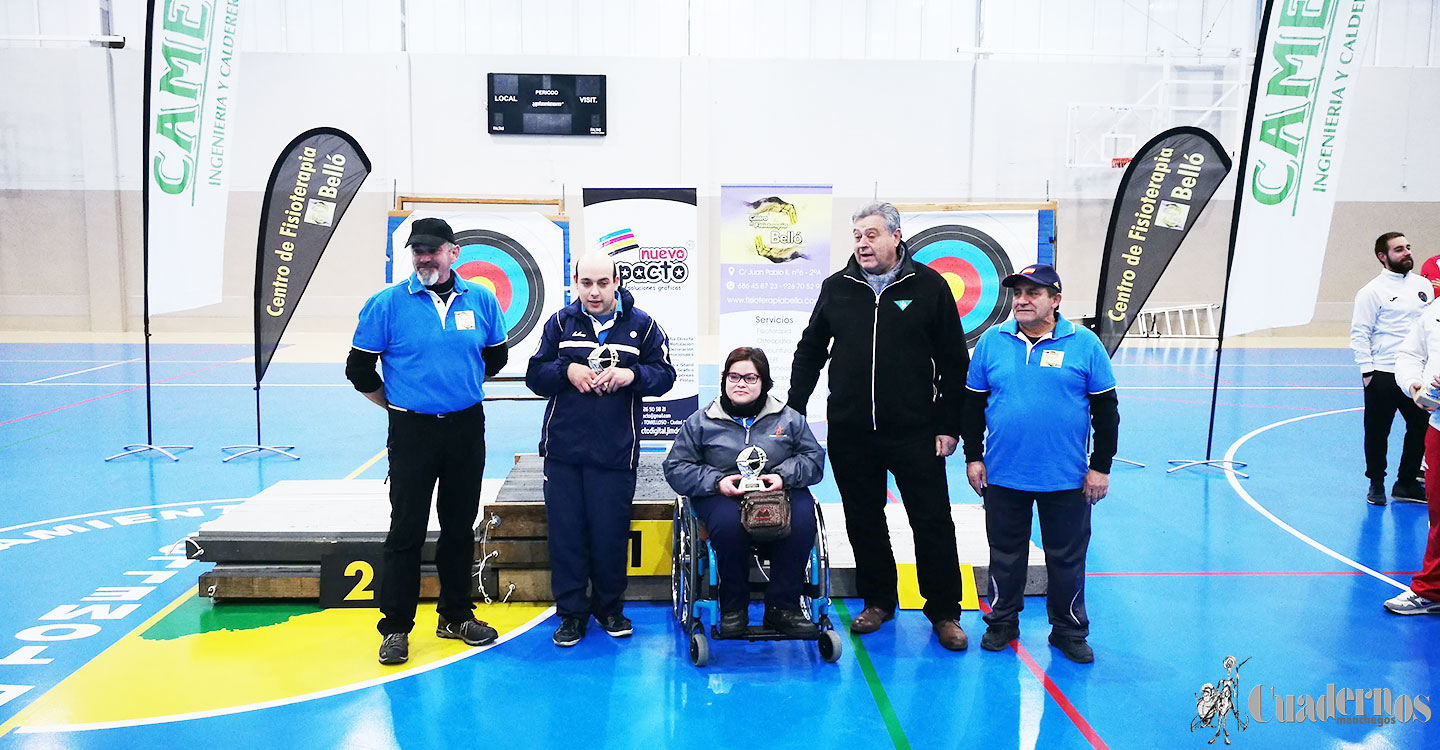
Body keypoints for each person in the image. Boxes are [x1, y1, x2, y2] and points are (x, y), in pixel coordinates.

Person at [789, 201, 970, 651]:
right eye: (857, 236)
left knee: (931, 522)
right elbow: (810, 350)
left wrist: (949, 425)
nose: (863, 244)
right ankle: (879, 600)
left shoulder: (928, 287)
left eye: (871, 234)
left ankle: (944, 611)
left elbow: (953, 363)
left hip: (915, 431)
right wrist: (794, 408)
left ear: (895, 236)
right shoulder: (838, 287)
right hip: (851, 432)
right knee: (864, 520)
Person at [345, 217, 510, 665]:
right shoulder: (386, 304)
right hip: (412, 430)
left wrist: (456, 387)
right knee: (407, 529)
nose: (423, 257)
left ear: (453, 252)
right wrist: (398, 407)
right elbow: (358, 369)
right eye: (417, 249)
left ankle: (455, 614)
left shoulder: (481, 299)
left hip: (464, 426)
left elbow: (496, 354)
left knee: (459, 526)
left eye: (432, 249)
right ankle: (395, 628)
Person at [960, 264, 1118, 664]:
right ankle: (1001, 623)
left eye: (1034, 293)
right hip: (1003, 474)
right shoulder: (991, 344)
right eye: (1018, 293)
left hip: (1066, 478)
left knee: (1066, 558)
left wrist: (1100, 467)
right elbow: (972, 406)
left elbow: (1106, 411)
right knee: (1005, 553)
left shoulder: (1085, 344)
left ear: (1056, 300)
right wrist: (973, 457)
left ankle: (1067, 630)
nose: (1023, 300)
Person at [525, 253, 677, 647]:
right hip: (564, 452)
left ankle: (609, 609)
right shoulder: (560, 323)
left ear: (616, 281)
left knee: (610, 535)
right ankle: (571, 614)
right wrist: (566, 370)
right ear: (575, 281)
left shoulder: (642, 326)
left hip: (615, 452)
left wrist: (632, 374)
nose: (594, 292)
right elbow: (535, 375)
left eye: (602, 283)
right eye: (586, 283)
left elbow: (665, 375)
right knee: (567, 536)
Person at [663, 347, 825, 637]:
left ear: (764, 382)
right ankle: (733, 608)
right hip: (722, 494)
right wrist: (716, 481)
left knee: (802, 520)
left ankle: (782, 609)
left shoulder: (788, 419)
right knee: (727, 525)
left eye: (750, 377)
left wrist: (781, 476)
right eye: (733, 376)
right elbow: (676, 467)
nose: (740, 383)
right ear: (724, 379)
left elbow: (813, 460)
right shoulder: (701, 422)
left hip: (778, 491)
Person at [1350, 232, 1430, 506]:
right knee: (1377, 432)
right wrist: (1368, 372)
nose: (1407, 252)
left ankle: (1406, 482)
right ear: (1382, 257)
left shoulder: (1424, 287)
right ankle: (1376, 483)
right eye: (1399, 249)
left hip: (1416, 374)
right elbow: (1360, 333)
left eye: (1408, 247)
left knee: (1421, 427)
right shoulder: (1371, 292)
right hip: (1383, 374)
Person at [1384, 303, 1440, 615]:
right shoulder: (1435, 309)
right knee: (1438, 512)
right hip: (1438, 427)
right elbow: (1409, 354)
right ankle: (1432, 591)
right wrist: (1412, 383)